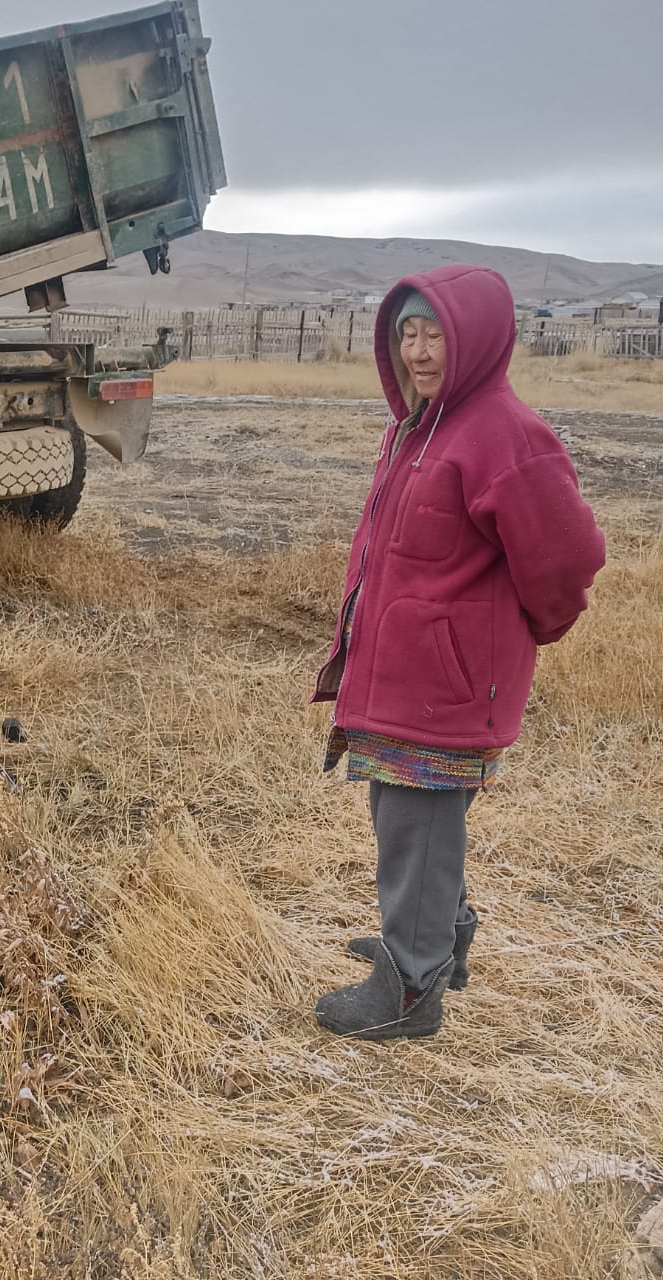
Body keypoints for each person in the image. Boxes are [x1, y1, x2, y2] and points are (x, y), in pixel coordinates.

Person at [311, 263, 605, 1041]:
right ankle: (442, 936)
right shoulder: (422, 424)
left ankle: (412, 989)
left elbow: (569, 560)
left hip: (448, 684)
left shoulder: (504, 433)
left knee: (419, 821)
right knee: (401, 816)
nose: (417, 350)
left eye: (434, 331)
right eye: (405, 332)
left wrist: (517, 637)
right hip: (407, 676)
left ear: (473, 336)